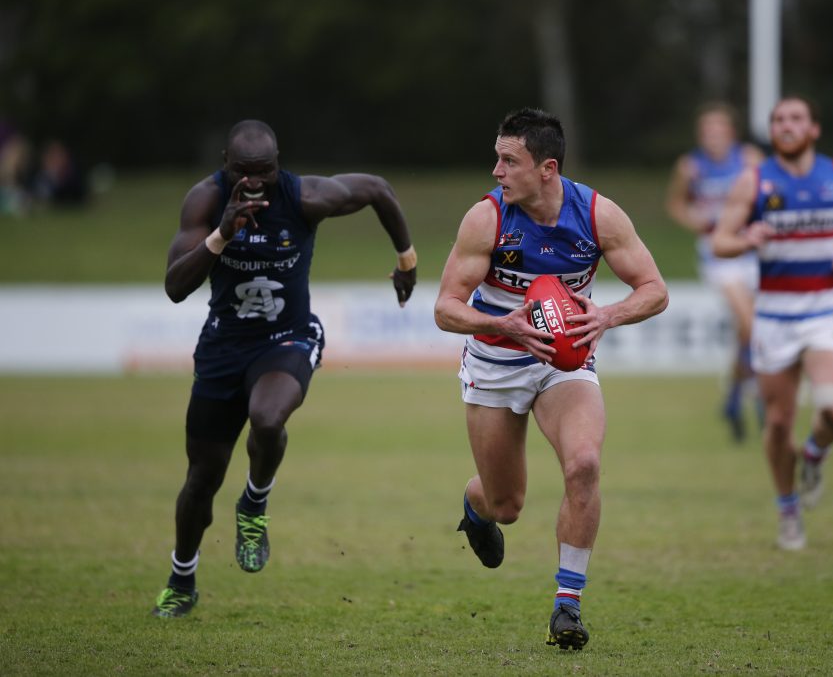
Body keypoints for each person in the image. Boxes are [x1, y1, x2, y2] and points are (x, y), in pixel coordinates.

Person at [150, 119, 417, 618]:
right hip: (223, 347)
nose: (254, 182)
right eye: (244, 173)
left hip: (287, 337)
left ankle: (254, 503)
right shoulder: (205, 202)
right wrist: (220, 235)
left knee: (268, 418)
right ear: (227, 165)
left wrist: (406, 260)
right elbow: (174, 286)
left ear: (279, 164)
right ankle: (181, 578)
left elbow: (378, 190)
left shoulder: (305, 198)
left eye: (265, 171)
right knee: (201, 480)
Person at [434, 108, 668, 649]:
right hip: (495, 362)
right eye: (497, 158)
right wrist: (503, 323)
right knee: (506, 505)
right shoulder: (486, 219)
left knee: (584, 464)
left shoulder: (597, 215)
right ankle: (476, 509)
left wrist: (607, 314)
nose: (496, 171)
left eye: (508, 160)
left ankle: (568, 606)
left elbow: (654, 288)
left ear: (547, 168)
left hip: (565, 362)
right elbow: (445, 309)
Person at [712, 96, 833, 551]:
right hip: (775, 316)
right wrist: (746, 239)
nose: (786, 125)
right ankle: (788, 509)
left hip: (828, 309)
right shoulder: (755, 181)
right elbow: (720, 240)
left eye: (796, 118)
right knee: (780, 422)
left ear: (814, 128)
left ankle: (815, 455)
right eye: (779, 119)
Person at [665, 102, 764, 442]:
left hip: (750, 249)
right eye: (707, 131)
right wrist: (697, 221)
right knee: (750, 324)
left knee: (747, 332)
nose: (713, 136)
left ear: (731, 133)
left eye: (719, 129)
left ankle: (734, 398)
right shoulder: (691, 166)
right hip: (717, 254)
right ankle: (759, 395)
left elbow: (769, 195)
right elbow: (676, 204)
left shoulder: (749, 159)